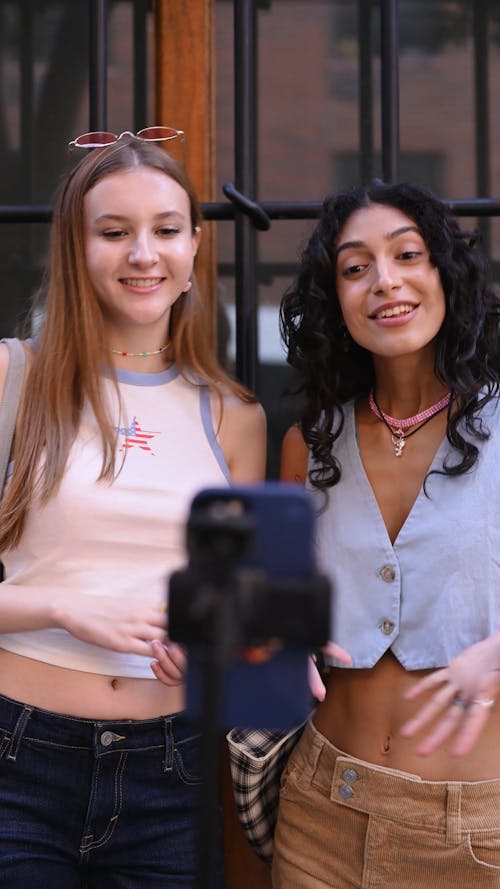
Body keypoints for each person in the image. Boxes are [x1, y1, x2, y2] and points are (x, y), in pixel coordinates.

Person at [0, 130, 266, 888]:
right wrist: (64, 608)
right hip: (17, 758)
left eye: (165, 230)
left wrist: (235, 647)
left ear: (192, 250)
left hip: (170, 771)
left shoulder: (233, 417)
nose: (143, 253)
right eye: (114, 232)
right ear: (76, 250)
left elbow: (234, 611)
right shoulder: (11, 377)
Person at [274, 180, 500, 888]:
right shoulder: (306, 446)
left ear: (445, 275)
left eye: (408, 254)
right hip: (320, 813)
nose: (385, 281)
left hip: (474, 832)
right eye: (354, 266)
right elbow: (274, 611)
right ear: (333, 299)